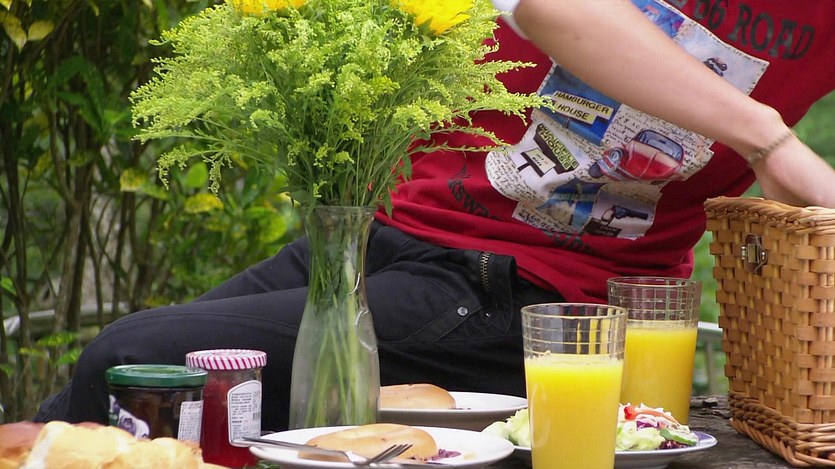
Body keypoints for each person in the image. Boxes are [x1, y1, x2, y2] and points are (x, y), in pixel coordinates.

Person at [35, 0, 835, 431]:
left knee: (128, 354)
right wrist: (767, 137)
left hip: (541, 303)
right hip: (381, 241)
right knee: (101, 393)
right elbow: (553, 8)